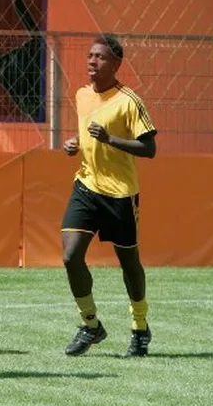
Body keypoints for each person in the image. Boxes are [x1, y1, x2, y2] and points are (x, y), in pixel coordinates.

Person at [61, 34, 157, 357]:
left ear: (116, 64)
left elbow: (149, 148)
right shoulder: (82, 94)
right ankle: (90, 325)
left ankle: (140, 327)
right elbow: (87, 132)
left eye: (100, 57)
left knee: (129, 263)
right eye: (90, 55)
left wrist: (110, 139)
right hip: (86, 186)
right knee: (70, 256)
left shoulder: (130, 101)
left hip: (120, 195)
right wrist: (74, 143)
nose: (92, 61)